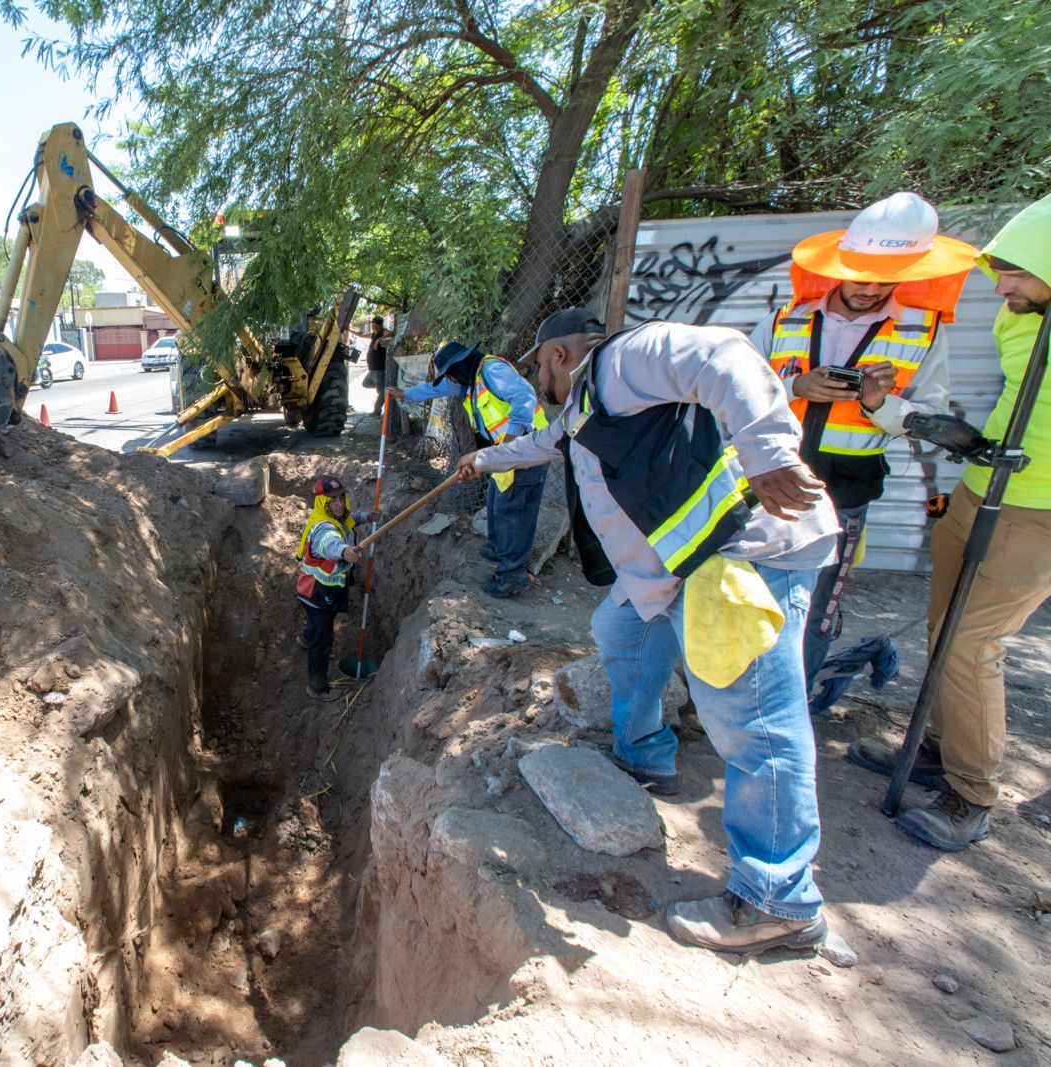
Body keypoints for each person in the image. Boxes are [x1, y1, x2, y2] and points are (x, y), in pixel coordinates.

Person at [457, 308, 839, 955]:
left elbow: (724, 356)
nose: (538, 379)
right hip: (674, 574)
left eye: (538, 366)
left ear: (557, 354)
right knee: (619, 628)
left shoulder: (625, 360)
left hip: (738, 559)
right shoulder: (583, 407)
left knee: (755, 722)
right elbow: (541, 444)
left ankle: (779, 898)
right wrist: (482, 458)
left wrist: (769, 450)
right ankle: (644, 752)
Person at [848, 193, 1051, 852]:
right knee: (945, 625)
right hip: (983, 486)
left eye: (1016, 271)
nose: (1002, 285)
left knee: (971, 643)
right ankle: (935, 746)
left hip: (1039, 512)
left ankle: (971, 793)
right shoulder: (1020, 320)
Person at [749, 192, 977, 694]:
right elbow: (735, 389)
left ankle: (792, 699)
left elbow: (931, 420)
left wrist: (881, 404)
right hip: (766, 477)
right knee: (746, 588)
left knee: (814, 600)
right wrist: (795, 388)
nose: (869, 288)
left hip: (844, 492)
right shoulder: (785, 319)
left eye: (884, 279)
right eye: (860, 275)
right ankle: (740, 689)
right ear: (840, 265)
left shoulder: (923, 333)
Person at [387, 339, 544, 599]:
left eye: (450, 374)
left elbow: (525, 397)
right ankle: (499, 547)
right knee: (496, 499)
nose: (450, 380)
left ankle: (513, 574)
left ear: (458, 366)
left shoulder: (491, 371)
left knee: (514, 510)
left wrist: (511, 440)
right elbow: (434, 389)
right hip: (505, 453)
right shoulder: (468, 378)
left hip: (528, 449)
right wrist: (406, 395)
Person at [296, 475, 368, 702]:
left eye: (341, 498)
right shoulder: (322, 527)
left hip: (312, 592)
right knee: (323, 639)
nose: (339, 503)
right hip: (318, 595)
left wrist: (366, 517)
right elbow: (329, 542)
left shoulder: (338, 516)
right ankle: (317, 687)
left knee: (315, 627)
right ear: (322, 503)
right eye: (333, 500)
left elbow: (349, 520)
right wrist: (345, 551)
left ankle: (306, 639)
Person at [366, 316, 394, 416]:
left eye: (375, 324)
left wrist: (379, 340)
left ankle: (377, 410)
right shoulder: (374, 334)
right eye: (372, 323)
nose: (373, 325)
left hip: (379, 369)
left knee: (382, 390)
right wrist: (351, 331)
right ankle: (381, 390)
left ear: (379, 325)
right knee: (365, 383)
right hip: (372, 370)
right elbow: (362, 334)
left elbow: (390, 333)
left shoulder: (383, 332)